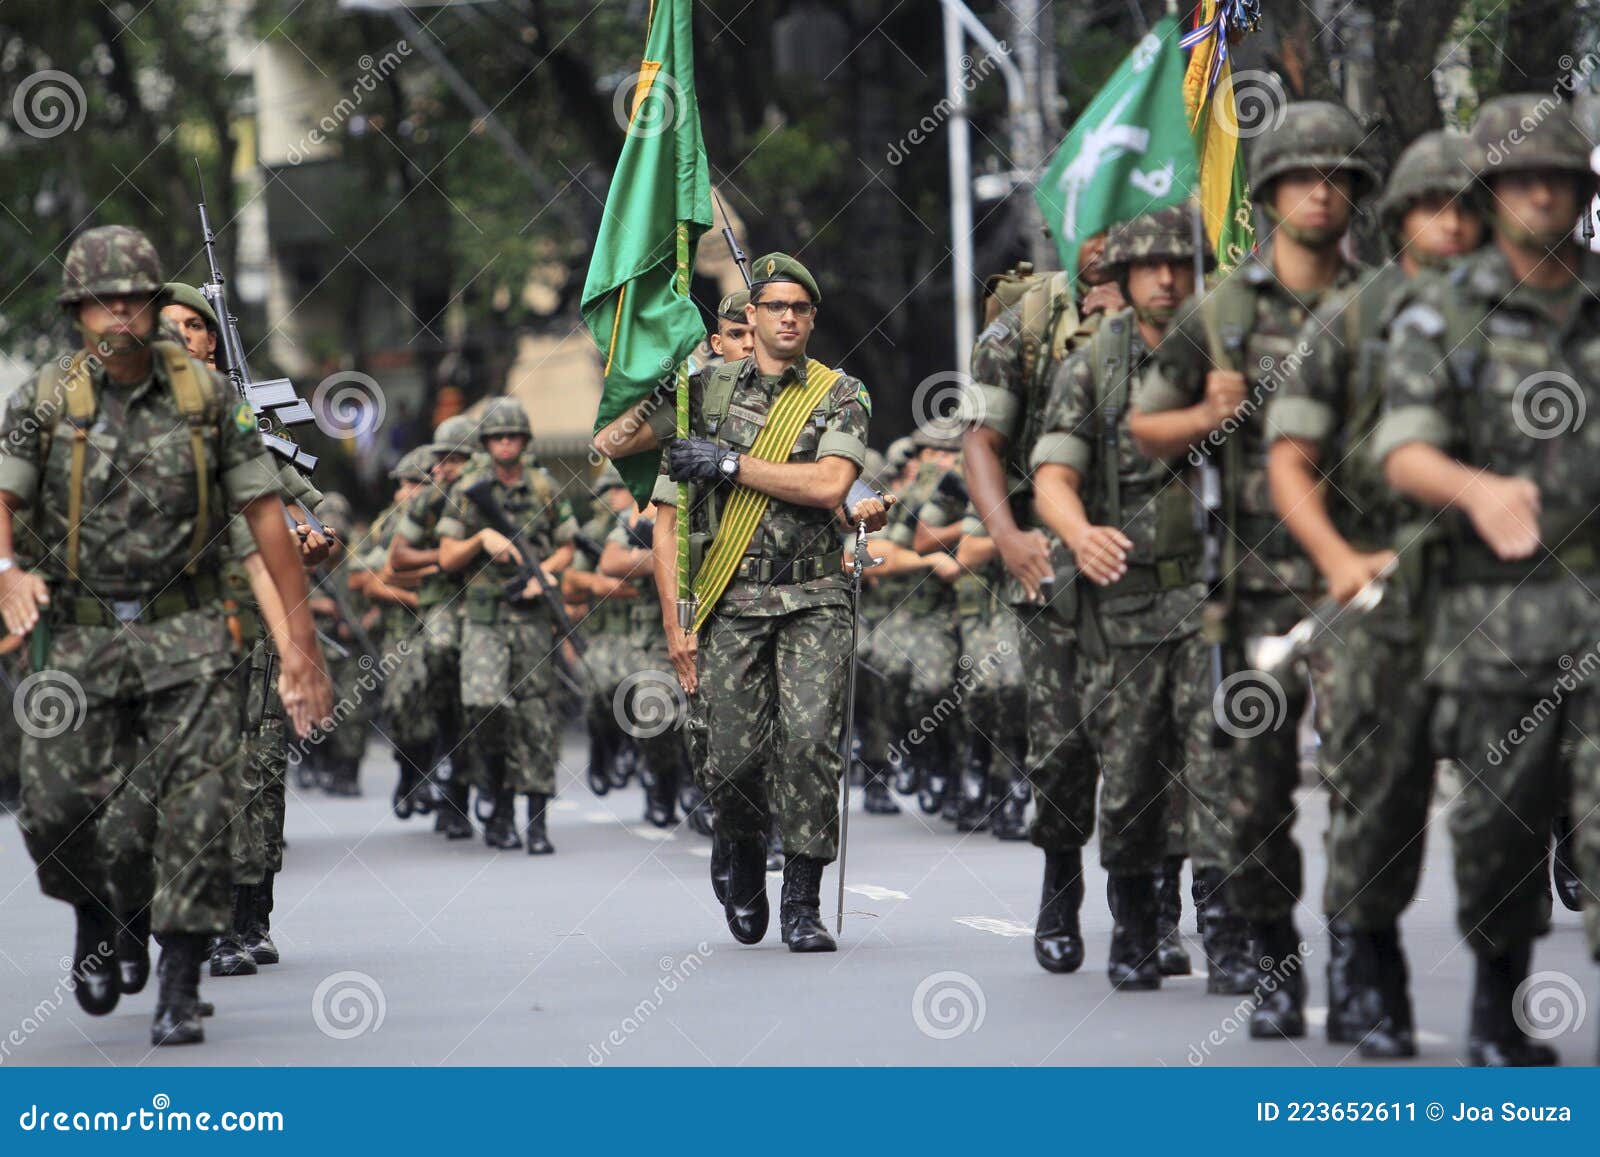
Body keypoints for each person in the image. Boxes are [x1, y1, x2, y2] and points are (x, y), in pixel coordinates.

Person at [0, 225, 330, 1047]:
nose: (119, 309)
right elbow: (2, 497)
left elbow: (262, 521)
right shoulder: (46, 395)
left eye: (135, 295)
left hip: (189, 630)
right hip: (75, 634)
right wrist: (6, 570)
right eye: (101, 298)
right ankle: (94, 911)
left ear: (154, 304)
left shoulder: (208, 400)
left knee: (195, 808)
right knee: (55, 807)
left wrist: (299, 647)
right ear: (77, 309)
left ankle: (179, 982)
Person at [1136, 101, 1378, 1034]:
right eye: (1301, 177)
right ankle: (1276, 963)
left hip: (1361, 581)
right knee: (1257, 788)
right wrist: (1209, 414)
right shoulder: (1221, 310)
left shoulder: (1383, 304)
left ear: (1354, 193)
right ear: (1270, 192)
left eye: (1336, 177)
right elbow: (1148, 430)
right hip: (1254, 589)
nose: (1320, 192)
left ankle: (1359, 960)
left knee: (1367, 776)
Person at [1374, 94, 1599, 1066]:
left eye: (1555, 173)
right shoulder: (1442, 312)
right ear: (1492, 190)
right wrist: (1475, 487)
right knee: (1499, 823)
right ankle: (1497, 1000)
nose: (1539, 190)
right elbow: (1401, 450)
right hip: (1495, 613)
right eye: (1519, 176)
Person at [1265, 129, 1484, 1056]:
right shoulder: (1351, 320)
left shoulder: (1528, 309)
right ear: (1399, 221)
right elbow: (1292, 458)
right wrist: (1335, 557)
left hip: (1499, 594)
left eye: (1470, 205)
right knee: (1378, 793)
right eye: (1434, 206)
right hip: (1378, 592)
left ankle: (1502, 997)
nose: (1453, 223)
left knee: (1514, 794)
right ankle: (1369, 974)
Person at [654, 253, 878, 952]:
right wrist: (677, 620)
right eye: (774, 306)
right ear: (747, 318)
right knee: (732, 758)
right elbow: (666, 518)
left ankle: (803, 900)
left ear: (812, 319)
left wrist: (728, 463)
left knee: (811, 744)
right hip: (729, 598)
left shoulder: (842, 393)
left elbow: (827, 484)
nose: (787, 318)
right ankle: (741, 847)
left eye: (800, 309)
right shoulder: (702, 393)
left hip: (813, 596)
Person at [1032, 205, 1224, 991]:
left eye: (1181, 264)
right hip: (1128, 604)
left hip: (1216, 599)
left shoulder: (1228, 353)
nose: (1168, 279)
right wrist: (1077, 535)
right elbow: (1052, 476)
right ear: (1126, 277)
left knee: (1220, 761)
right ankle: (1137, 925)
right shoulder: (1095, 365)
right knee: (1136, 768)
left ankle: (1229, 927)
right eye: (1151, 266)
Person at [965, 248, 1102, 974]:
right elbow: (981, 442)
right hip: (1055, 565)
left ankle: (1162, 910)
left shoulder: (1192, 315)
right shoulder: (1023, 326)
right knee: (1063, 742)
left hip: (1163, 562)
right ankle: (1061, 886)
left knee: (1174, 746)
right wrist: (1007, 535)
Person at [438, 398, 578, 853]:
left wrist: (546, 575)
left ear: (524, 441)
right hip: (483, 618)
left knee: (536, 716)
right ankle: (496, 800)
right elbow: (446, 557)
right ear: (486, 443)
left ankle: (535, 822)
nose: (505, 443)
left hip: (531, 617)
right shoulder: (468, 490)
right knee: (484, 705)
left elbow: (566, 545)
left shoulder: (543, 486)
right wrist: (481, 538)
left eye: (513, 436)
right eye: (497, 437)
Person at [390, 414, 479, 839]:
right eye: (441, 459)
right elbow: (397, 561)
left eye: (457, 459)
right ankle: (449, 793)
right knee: (442, 683)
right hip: (442, 604)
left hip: (494, 606)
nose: (445, 467)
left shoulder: (494, 493)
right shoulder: (428, 502)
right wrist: (445, 559)